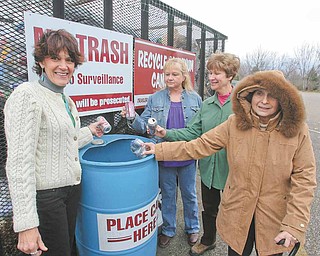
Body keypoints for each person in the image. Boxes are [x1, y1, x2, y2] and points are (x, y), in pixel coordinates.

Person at [143, 70, 317, 256]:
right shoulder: (234, 124)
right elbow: (199, 145)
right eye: (259, 93)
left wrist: (294, 224)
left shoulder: (297, 131)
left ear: (283, 99)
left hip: (274, 217)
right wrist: (158, 150)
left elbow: (305, 179)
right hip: (238, 212)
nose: (264, 101)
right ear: (250, 95)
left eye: (272, 95)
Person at [4, 29, 107, 256]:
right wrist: (26, 224)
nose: (64, 66)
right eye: (55, 58)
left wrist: (90, 131)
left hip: (70, 192)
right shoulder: (27, 95)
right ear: (41, 61)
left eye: (69, 60)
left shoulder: (65, 99)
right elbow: (19, 163)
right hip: (47, 199)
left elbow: (62, 142)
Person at [154, 52, 240, 255]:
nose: (211, 77)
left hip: (234, 170)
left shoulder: (242, 104)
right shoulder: (207, 105)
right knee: (209, 208)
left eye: (217, 73)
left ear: (230, 75)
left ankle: (235, 249)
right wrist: (167, 133)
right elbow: (193, 131)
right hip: (208, 167)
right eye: (210, 72)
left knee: (235, 213)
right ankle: (208, 240)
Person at [121, 58, 202, 248]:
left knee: (189, 193)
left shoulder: (195, 99)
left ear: (184, 76)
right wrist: (133, 118)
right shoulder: (155, 98)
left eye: (174, 74)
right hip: (163, 152)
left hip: (187, 153)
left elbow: (198, 129)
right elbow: (146, 128)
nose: (170, 78)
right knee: (167, 193)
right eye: (167, 74)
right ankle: (168, 229)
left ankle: (193, 228)